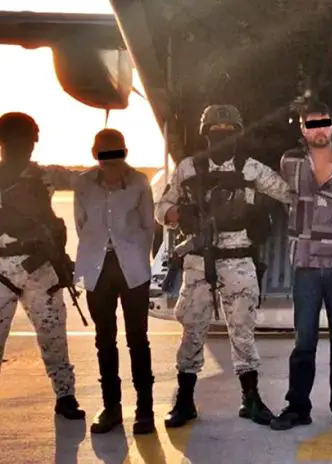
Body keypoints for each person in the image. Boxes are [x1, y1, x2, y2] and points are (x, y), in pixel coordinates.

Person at [155, 104, 295, 428]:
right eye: (215, 133)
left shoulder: (251, 169)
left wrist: (264, 212)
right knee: (193, 330)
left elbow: (288, 193)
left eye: (228, 133)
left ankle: (251, 399)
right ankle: (186, 401)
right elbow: (161, 208)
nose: (221, 138)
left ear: (237, 135)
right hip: (198, 260)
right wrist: (181, 215)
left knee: (243, 332)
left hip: (239, 257)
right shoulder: (188, 169)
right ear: (205, 135)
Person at [270, 100, 332, 432]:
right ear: (303, 129)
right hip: (306, 267)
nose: (319, 129)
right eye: (311, 124)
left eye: (323, 123)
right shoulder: (291, 163)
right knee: (305, 341)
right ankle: (297, 407)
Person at [0, 111, 85, 420]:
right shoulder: (46, 176)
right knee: (52, 337)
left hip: (40, 270)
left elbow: (87, 179)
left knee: (53, 337)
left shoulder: (46, 176)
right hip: (8, 270)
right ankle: (66, 397)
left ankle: (66, 396)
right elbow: (88, 179)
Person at [73, 129, 156, 434]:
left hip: (132, 269)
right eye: (104, 154)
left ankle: (144, 411)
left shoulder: (139, 183)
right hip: (97, 268)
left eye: (115, 153)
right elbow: (81, 226)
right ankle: (112, 409)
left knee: (138, 339)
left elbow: (149, 225)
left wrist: (133, 255)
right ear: (95, 154)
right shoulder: (82, 184)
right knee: (104, 340)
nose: (110, 161)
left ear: (124, 152)